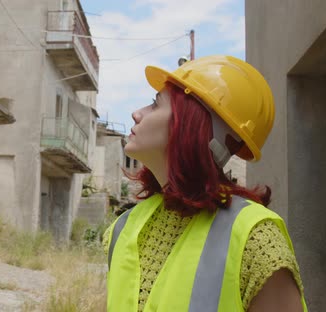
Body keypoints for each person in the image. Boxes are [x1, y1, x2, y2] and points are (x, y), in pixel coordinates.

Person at [104, 56, 307, 312]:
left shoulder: (256, 239)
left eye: (156, 104)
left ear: (193, 124)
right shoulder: (122, 229)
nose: (137, 113)